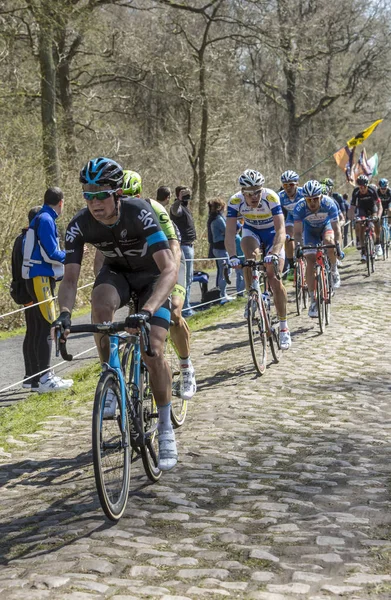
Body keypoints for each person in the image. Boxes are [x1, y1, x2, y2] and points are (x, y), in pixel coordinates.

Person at [52, 157, 179, 471]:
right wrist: (64, 314)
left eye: (101, 195)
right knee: (99, 300)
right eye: (88, 195)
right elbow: (69, 280)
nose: (94, 203)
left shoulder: (139, 213)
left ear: (117, 193)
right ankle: (110, 373)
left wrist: (147, 311)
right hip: (118, 276)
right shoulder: (80, 224)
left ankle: (164, 427)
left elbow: (169, 269)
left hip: (152, 279)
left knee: (154, 351)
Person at [225, 169, 291, 350]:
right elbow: (230, 232)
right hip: (251, 231)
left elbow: (281, 230)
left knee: (273, 277)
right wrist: (231, 256)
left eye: (257, 191)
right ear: (242, 192)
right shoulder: (235, 201)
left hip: (272, 234)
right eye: (249, 193)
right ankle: (252, 294)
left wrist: (275, 253)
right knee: (249, 259)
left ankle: (284, 327)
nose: (254, 196)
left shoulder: (271, 198)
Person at [22, 188, 73, 393]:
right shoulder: (46, 219)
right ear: (61, 202)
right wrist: (71, 256)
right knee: (48, 326)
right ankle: (45, 378)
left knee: (44, 327)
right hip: (40, 276)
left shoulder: (43, 217)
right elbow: (50, 252)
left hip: (41, 276)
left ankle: (43, 376)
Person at [155, 185, 197, 400]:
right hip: (149, 273)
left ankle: (186, 366)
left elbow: (175, 252)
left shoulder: (163, 216)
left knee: (173, 313)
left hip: (173, 265)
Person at [293, 180, 343, 319]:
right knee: (310, 261)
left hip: (325, 228)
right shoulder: (300, 207)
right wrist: (298, 247)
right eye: (309, 200)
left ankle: (333, 270)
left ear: (321, 197)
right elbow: (297, 233)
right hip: (310, 232)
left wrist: (338, 246)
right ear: (304, 199)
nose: (312, 203)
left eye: (315, 199)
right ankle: (313, 300)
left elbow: (336, 229)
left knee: (329, 242)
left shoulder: (329, 203)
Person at [10, 206, 40, 388]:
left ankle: (30, 374)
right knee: (36, 332)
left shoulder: (20, 238)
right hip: (31, 292)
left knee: (32, 332)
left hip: (24, 290)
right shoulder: (29, 240)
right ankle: (33, 374)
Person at [170, 186, 197, 317]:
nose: (187, 195)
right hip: (184, 246)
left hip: (190, 246)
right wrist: (179, 200)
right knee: (185, 279)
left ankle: (186, 306)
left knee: (189, 278)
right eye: (184, 193)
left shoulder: (186, 207)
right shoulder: (178, 207)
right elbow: (174, 211)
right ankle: (185, 308)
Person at [348, 174, 383, 261]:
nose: (362, 189)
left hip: (372, 208)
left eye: (364, 186)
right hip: (362, 209)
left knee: (376, 222)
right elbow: (352, 207)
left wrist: (378, 216)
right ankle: (364, 251)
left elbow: (379, 205)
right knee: (361, 226)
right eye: (360, 187)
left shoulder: (372, 190)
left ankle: (378, 243)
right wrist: (352, 217)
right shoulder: (356, 192)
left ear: (367, 185)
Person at [208, 198, 234, 304]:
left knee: (224, 271)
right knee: (225, 272)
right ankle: (221, 295)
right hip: (220, 248)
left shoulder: (216, 217)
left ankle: (223, 293)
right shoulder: (217, 219)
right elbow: (226, 230)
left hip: (221, 248)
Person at [278, 170, 304, 273]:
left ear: (297, 184)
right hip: (291, 218)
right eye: (285, 185)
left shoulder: (303, 193)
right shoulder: (280, 196)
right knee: (287, 237)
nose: (288, 188)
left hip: (305, 218)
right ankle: (292, 265)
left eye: (291, 185)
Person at [235, 222, 245, 296]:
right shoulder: (238, 238)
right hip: (241, 260)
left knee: (238, 277)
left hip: (236, 259)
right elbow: (241, 251)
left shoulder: (233, 238)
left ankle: (238, 291)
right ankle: (241, 292)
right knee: (244, 277)